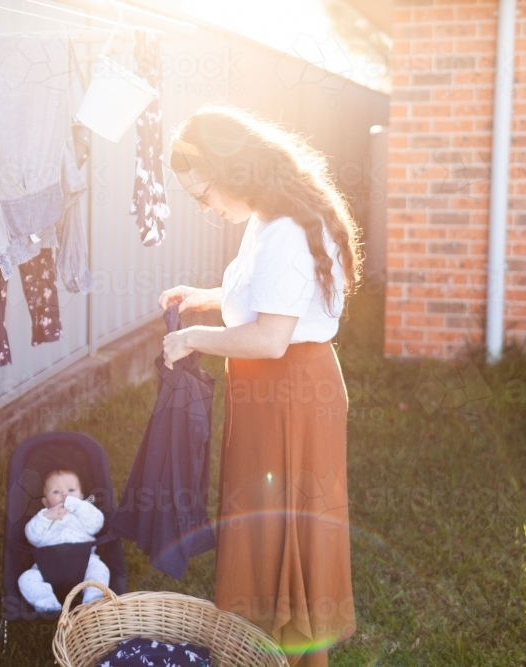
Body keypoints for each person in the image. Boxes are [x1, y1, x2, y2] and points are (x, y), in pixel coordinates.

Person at [158, 106, 360, 667]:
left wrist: (194, 337)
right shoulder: (267, 219)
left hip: (292, 396)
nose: (205, 208)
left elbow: (272, 336)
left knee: (284, 529)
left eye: (203, 195)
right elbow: (264, 300)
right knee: (265, 527)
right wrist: (203, 296)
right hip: (270, 394)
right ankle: (270, 651)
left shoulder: (290, 231)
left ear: (234, 170)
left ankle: (295, 656)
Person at [18, 469, 110, 611]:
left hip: (83, 561)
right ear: (46, 502)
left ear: (81, 496)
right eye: (56, 492)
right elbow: (32, 536)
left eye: (71, 490)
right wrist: (47, 517)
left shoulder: (83, 515)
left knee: (99, 570)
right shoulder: (44, 517)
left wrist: (79, 506)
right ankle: (47, 603)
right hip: (48, 565)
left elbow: (96, 523)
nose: (64, 495)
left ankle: (92, 601)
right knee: (26, 579)